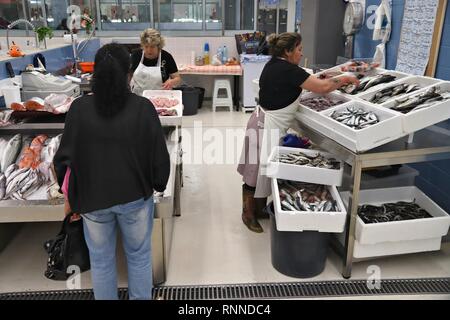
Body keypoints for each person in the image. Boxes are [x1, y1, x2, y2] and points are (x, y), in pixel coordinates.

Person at [53, 43, 170, 300]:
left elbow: (63, 159)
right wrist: (159, 184)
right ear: (128, 75)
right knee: (139, 258)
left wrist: (70, 194)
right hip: (135, 198)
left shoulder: (79, 109)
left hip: (93, 202)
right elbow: (159, 157)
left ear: (96, 75)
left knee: (102, 261)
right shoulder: (143, 108)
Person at [237, 32, 360, 233]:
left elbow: (307, 78)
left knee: (261, 170)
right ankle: (248, 214)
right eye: (299, 49)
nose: (301, 53)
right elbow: (323, 87)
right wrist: (345, 78)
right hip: (263, 126)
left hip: (262, 122)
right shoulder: (288, 70)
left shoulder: (276, 64)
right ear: (288, 51)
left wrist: (326, 76)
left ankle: (257, 209)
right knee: (254, 172)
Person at [130, 28, 181, 95]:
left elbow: (177, 78)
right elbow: (128, 74)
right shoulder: (136, 55)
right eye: (146, 46)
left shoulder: (166, 57)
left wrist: (172, 82)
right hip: (139, 97)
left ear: (159, 46)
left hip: (160, 97)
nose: (149, 50)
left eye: (152, 47)